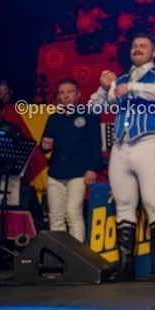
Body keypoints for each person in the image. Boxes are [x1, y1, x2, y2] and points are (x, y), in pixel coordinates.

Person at [87, 33, 155, 283]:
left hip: (148, 144)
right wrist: (103, 88)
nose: (137, 49)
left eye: (143, 46)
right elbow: (95, 108)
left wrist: (134, 87)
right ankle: (126, 266)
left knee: (154, 204)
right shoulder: (120, 79)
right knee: (123, 206)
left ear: (154, 52)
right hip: (121, 147)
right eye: (134, 46)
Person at [39, 79, 101, 242]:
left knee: (73, 213)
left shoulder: (89, 115)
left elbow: (96, 145)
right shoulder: (54, 118)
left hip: (79, 173)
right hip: (56, 172)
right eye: (62, 92)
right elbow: (44, 145)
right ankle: (58, 253)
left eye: (69, 92)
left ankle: (77, 253)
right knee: (55, 216)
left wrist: (92, 169)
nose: (65, 96)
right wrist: (44, 145)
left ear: (78, 94)